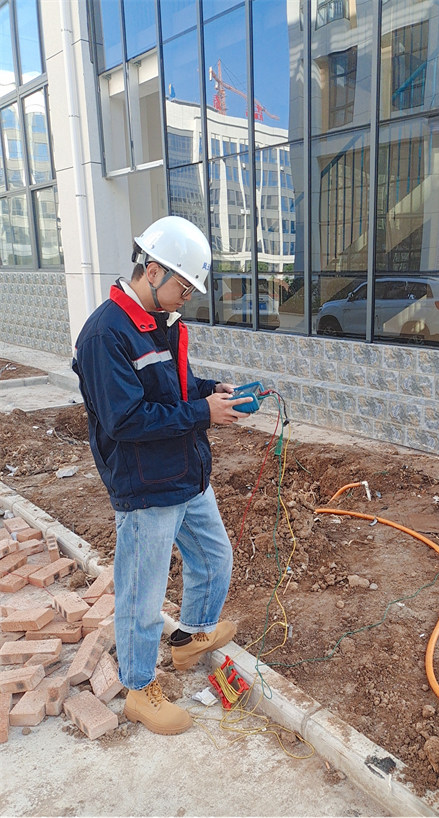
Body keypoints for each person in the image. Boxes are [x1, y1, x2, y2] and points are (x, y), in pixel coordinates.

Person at [72, 215, 252, 735]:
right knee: (141, 594)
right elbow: (125, 420)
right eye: (183, 286)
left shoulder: (160, 325)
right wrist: (204, 415)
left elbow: (176, 388)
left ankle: (190, 637)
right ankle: (137, 688)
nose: (187, 297)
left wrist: (216, 392)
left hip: (184, 473)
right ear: (153, 270)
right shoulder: (106, 334)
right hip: (146, 485)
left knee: (214, 556)